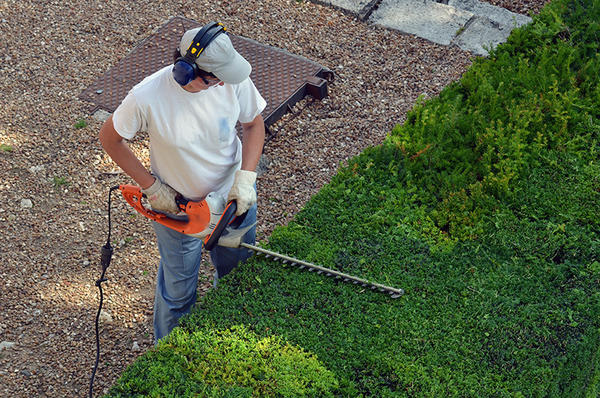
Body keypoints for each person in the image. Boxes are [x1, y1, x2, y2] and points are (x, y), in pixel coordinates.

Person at [99, 22, 266, 343]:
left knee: (238, 276)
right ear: (186, 72)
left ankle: (228, 337)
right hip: (179, 209)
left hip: (233, 199)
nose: (222, 84)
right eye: (214, 78)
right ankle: (169, 354)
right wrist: (151, 187)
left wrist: (246, 178)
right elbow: (110, 138)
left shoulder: (232, 81)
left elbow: (253, 124)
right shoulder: (148, 96)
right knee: (178, 294)